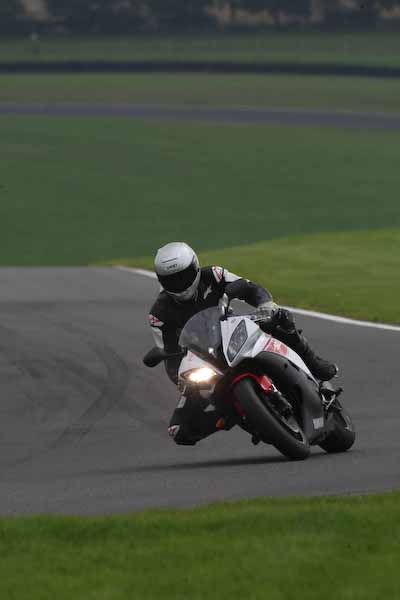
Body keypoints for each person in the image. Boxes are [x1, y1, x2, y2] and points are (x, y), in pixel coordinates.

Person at [148, 242, 337, 446]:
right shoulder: (158, 314)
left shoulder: (214, 275)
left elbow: (248, 287)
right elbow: (169, 357)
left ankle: (314, 364)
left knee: (281, 318)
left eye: (183, 276)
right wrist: (183, 381)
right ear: (161, 280)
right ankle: (230, 417)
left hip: (233, 332)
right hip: (205, 362)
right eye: (171, 280)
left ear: (195, 267)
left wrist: (265, 304)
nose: (179, 284)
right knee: (179, 430)